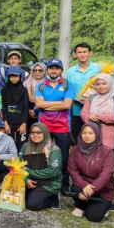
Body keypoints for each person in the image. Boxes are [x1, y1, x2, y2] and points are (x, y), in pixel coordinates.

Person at [34, 59, 75, 194]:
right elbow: (39, 105)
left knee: (63, 157)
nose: (53, 71)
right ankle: (44, 181)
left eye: (57, 68)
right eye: (51, 68)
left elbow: (67, 105)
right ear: (47, 70)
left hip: (62, 127)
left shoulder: (68, 85)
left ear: (61, 70)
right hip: (44, 126)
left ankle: (64, 185)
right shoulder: (41, 86)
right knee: (43, 155)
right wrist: (59, 103)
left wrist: (47, 104)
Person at [68, 123, 114, 222]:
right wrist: (84, 185)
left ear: (97, 134)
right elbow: (72, 170)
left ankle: (101, 207)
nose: (87, 136)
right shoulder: (75, 150)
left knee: (94, 217)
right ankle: (80, 206)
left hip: (103, 190)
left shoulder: (107, 152)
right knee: (75, 188)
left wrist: (91, 190)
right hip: (83, 185)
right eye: (84, 133)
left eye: (91, 133)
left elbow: (106, 175)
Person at [20, 123, 62, 211]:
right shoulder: (26, 146)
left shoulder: (54, 149)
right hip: (30, 179)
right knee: (10, 192)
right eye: (32, 132)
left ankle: (53, 199)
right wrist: (26, 179)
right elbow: (19, 164)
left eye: (39, 132)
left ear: (45, 133)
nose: (35, 135)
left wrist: (29, 171)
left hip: (48, 183)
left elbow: (52, 171)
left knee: (32, 204)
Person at [66, 43, 102, 142]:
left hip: (96, 110)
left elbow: (106, 86)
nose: (82, 54)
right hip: (77, 110)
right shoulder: (70, 72)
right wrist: (79, 100)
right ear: (75, 55)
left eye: (85, 52)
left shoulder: (99, 68)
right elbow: (69, 89)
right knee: (78, 137)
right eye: (79, 52)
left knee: (95, 137)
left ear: (90, 53)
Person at [80, 73, 114, 149]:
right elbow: (83, 113)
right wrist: (90, 116)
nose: (101, 86)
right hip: (93, 137)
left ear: (110, 83)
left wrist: (99, 116)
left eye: (104, 83)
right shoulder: (92, 97)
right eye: (98, 84)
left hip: (111, 138)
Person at [2, 66, 29, 150]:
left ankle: (20, 163)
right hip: (9, 123)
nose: (13, 78)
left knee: (21, 147)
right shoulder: (4, 90)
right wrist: (5, 123)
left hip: (21, 123)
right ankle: (11, 163)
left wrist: (24, 124)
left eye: (16, 76)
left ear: (20, 77)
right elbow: (4, 107)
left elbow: (26, 107)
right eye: (11, 76)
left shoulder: (24, 90)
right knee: (9, 148)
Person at [25, 61, 46, 127]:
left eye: (40, 70)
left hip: (43, 112)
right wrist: (29, 111)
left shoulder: (48, 84)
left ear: (45, 71)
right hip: (27, 111)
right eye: (35, 70)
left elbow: (49, 100)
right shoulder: (26, 83)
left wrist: (36, 111)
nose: (37, 72)